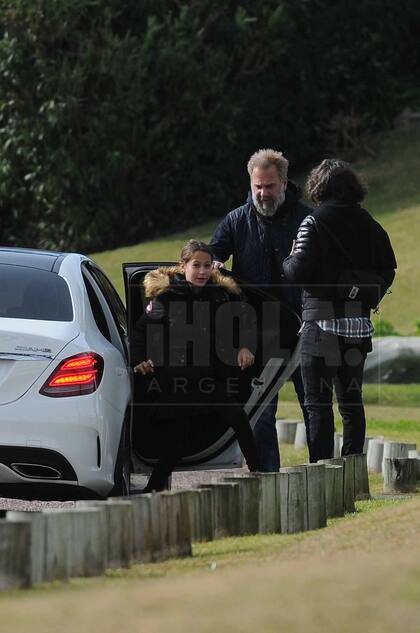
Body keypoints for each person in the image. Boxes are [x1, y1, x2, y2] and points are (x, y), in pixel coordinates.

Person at [282, 159, 397, 462]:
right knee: (351, 402)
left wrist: (288, 258)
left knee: (317, 403)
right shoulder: (371, 224)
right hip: (358, 327)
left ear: (318, 187)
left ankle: (322, 471)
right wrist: (364, 294)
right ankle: (354, 468)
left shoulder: (314, 222)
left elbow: (296, 273)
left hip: (320, 326)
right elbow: (389, 269)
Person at [210, 148, 312, 471]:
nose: (263, 194)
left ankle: (322, 473)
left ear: (283, 183)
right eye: (258, 187)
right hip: (256, 331)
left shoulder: (306, 220)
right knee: (262, 410)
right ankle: (267, 479)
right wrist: (213, 263)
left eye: (269, 187)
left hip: (300, 327)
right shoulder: (237, 220)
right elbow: (213, 253)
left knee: (314, 405)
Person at [132, 239, 260, 491]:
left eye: (207, 265)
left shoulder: (222, 296)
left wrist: (245, 347)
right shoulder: (167, 297)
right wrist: (138, 360)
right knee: (177, 440)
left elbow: (244, 323)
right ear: (183, 266)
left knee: (238, 418)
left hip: (209, 380)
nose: (202, 272)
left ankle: (259, 471)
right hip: (175, 381)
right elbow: (139, 333)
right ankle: (153, 489)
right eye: (196, 265)